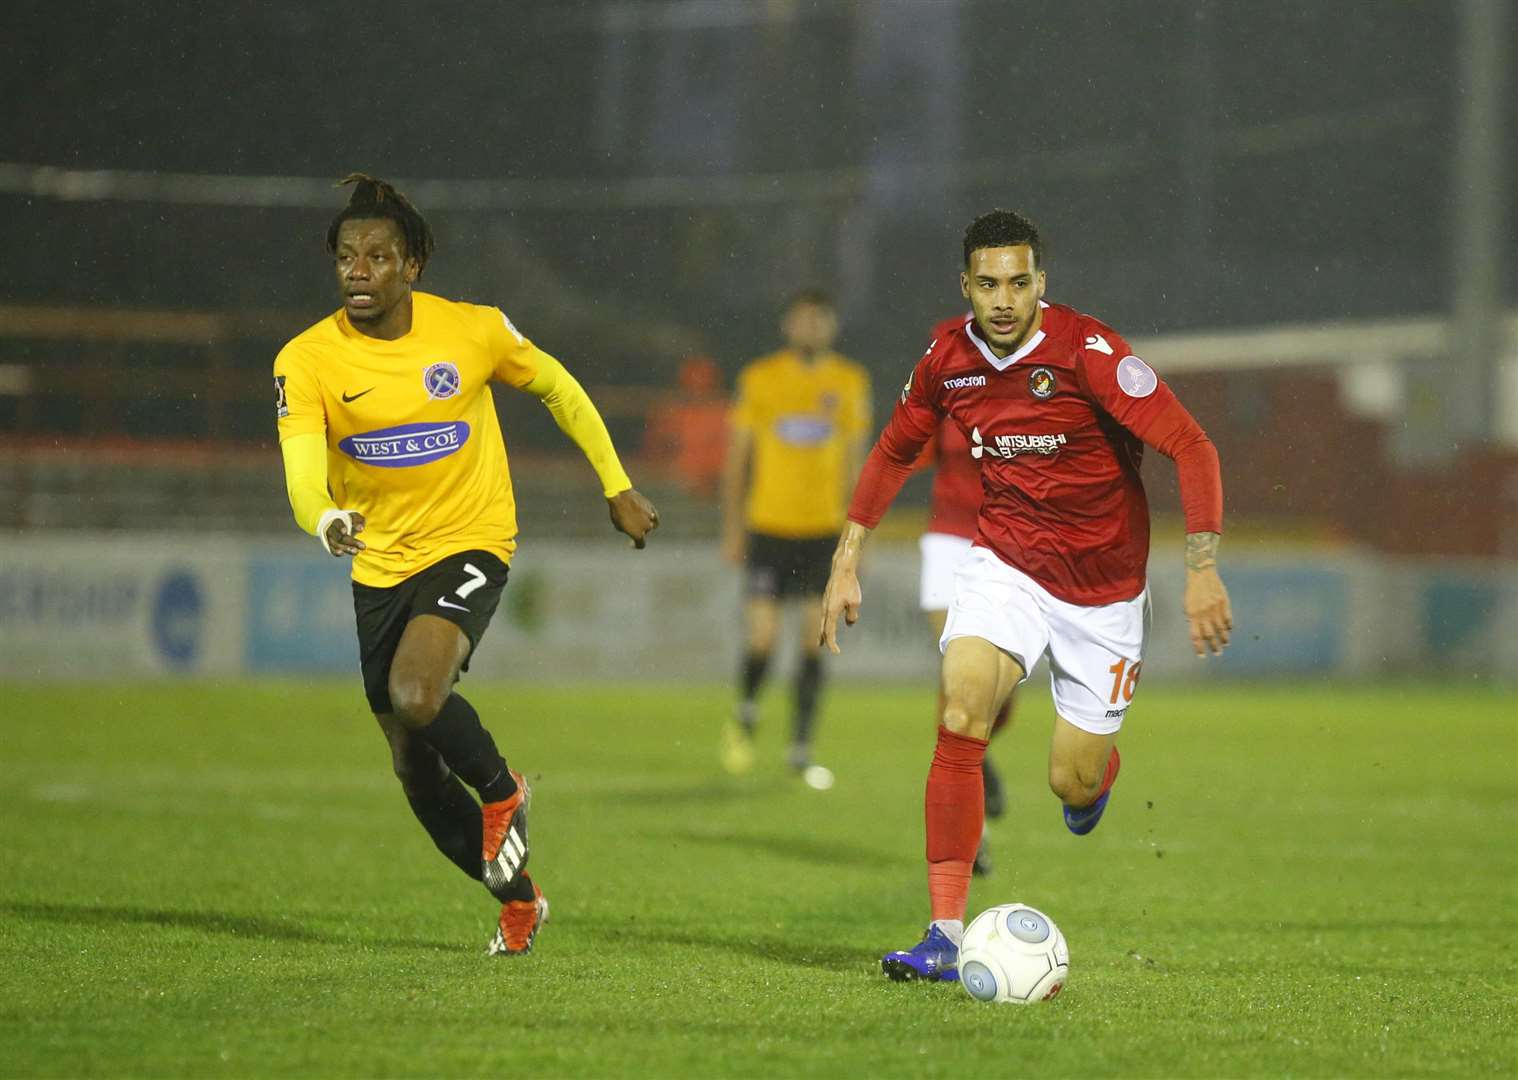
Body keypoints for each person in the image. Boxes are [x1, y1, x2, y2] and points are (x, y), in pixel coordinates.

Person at [819, 209, 1231, 982]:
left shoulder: (1090, 354)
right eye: (987, 284)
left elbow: (1193, 447)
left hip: (1105, 596)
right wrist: (848, 556)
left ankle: (1094, 785)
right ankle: (943, 933)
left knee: (1068, 781)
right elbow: (892, 450)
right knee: (961, 708)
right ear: (965, 287)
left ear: (1041, 283)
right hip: (1004, 566)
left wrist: (1202, 565)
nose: (1003, 300)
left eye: (1017, 283)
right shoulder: (948, 358)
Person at [273, 174, 659, 957]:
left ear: (411, 266)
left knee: (416, 694)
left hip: (472, 538)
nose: (359, 269)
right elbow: (302, 472)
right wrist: (328, 518)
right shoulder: (305, 359)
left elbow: (558, 387)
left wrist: (616, 483)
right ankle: (520, 900)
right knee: (414, 772)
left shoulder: (472, 332)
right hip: (379, 564)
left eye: (378, 256)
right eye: (347, 256)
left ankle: (502, 788)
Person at [719, 290, 871, 784]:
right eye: (803, 321)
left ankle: (800, 747)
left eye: (819, 321)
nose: (811, 329)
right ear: (788, 326)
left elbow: (857, 465)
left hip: (823, 532)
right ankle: (746, 709)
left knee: (813, 639)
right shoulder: (760, 378)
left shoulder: (849, 381)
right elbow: (738, 460)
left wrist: (854, 543)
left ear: (831, 327)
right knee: (762, 638)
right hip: (769, 527)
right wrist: (733, 529)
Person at [916, 402, 1013, 877]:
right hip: (948, 539)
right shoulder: (947, 376)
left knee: (1001, 687)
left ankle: (983, 751)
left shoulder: (1031, 382)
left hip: (1010, 542)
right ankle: (973, 838)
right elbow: (906, 449)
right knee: (958, 679)